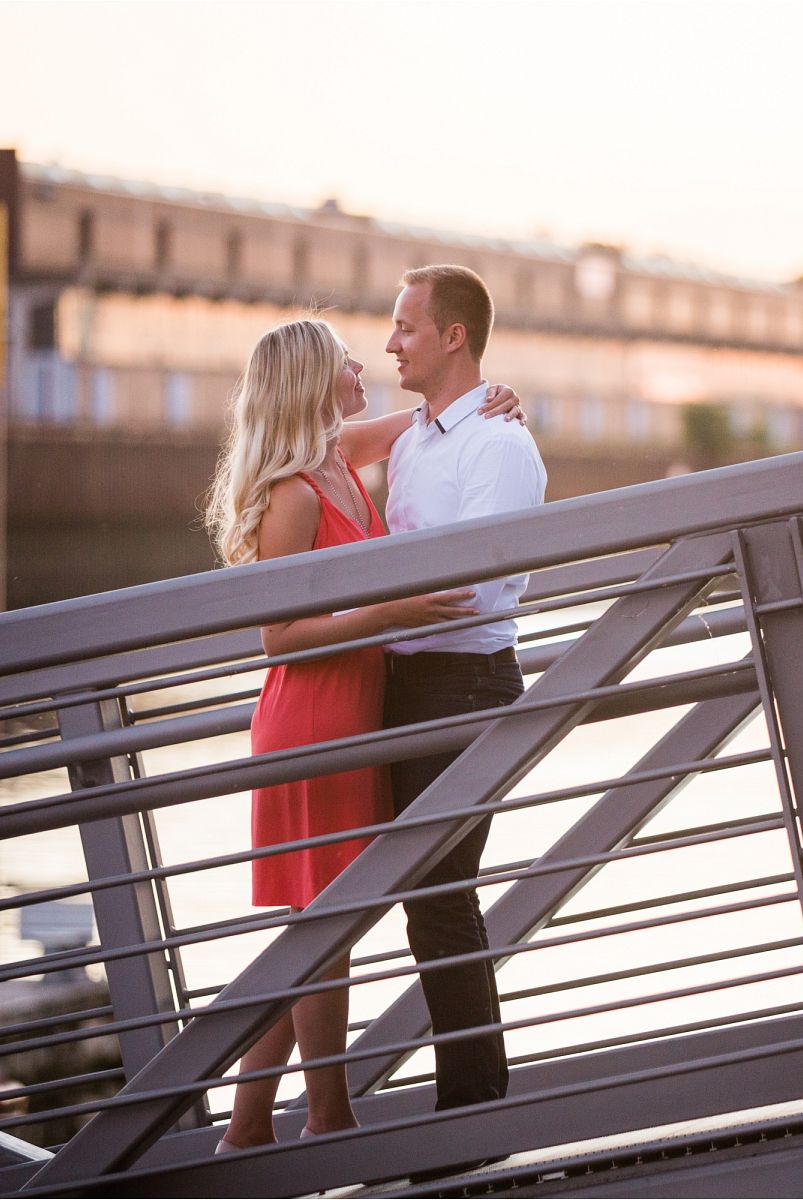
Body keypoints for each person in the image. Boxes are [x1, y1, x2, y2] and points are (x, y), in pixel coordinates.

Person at [201, 317, 524, 1151]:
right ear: (315, 379)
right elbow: (278, 637)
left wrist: (494, 398)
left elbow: (435, 415)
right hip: (312, 720)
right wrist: (389, 614)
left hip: (355, 713)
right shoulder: (296, 493)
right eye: (346, 358)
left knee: (322, 921)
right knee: (327, 922)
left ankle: (246, 1125)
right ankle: (326, 1115)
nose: (363, 362)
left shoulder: (339, 459)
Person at [380, 264, 546, 1125]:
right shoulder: (413, 439)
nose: (389, 342)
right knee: (420, 893)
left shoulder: (499, 442)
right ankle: (463, 1105)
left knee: (442, 891)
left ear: (453, 337)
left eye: (406, 326)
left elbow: (478, 590)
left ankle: (473, 1113)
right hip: (403, 683)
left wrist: (369, 605)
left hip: (465, 683)